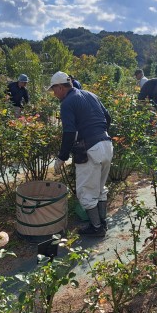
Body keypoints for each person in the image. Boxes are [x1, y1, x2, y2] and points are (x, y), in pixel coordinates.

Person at [49, 71, 113, 237]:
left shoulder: (67, 103)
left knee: (85, 193)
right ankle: (102, 222)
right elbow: (108, 118)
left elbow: (69, 132)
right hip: (107, 144)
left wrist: (61, 157)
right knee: (100, 189)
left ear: (61, 87)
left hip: (91, 150)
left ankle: (97, 228)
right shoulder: (90, 94)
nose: (54, 93)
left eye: (54, 89)